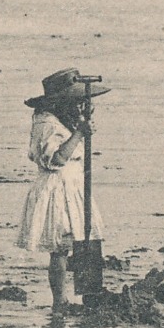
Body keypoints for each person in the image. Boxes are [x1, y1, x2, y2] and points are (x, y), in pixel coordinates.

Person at [16, 68, 108, 308]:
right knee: (61, 246)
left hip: (75, 184)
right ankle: (60, 301)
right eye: (76, 101)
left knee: (87, 237)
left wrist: (80, 125)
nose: (80, 105)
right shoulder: (45, 123)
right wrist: (79, 133)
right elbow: (55, 160)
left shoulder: (67, 119)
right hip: (56, 188)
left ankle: (90, 295)